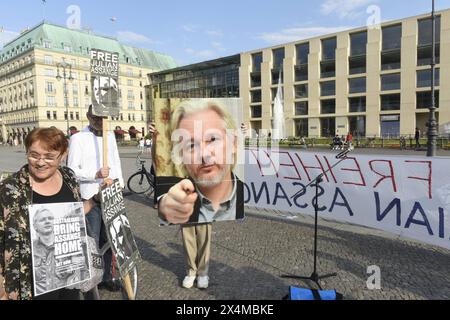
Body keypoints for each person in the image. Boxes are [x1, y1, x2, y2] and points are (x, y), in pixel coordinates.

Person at [157, 99, 244, 290]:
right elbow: (159, 168)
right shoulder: (180, 193)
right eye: (191, 145)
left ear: (233, 143)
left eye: (212, 139)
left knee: (204, 236)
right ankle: (191, 271)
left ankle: (203, 271)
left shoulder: (238, 193)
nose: (204, 155)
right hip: (190, 195)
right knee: (188, 236)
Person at [0, 127, 95, 300]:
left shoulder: (69, 177)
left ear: (63, 154)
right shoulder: (10, 188)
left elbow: (73, 216)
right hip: (30, 281)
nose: (40, 162)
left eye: (50, 157)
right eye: (34, 155)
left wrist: (94, 200)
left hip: (68, 275)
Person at [68, 105, 125, 293]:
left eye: (103, 117)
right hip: (90, 198)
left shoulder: (109, 137)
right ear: (88, 116)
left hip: (110, 196)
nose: (99, 121)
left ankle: (106, 277)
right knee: (91, 241)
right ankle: (92, 281)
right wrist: (95, 173)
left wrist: (120, 185)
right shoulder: (77, 138)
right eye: (96, 117)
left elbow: (115, 162)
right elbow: (72, 171)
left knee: (109, 240)